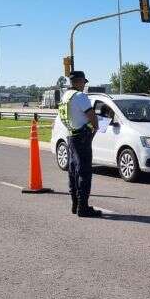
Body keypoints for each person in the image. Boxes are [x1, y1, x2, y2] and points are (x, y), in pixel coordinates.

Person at [58, 70, 101, 218]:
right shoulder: (80, 96)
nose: (84, 85)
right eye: (83, 82)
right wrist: (95, 127)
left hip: (71, 136)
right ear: (79, 81)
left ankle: (75, 204)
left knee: (73, 172)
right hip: (82, 137)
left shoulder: (66, 96)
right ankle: (83, 208)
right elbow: (91, 116)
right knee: (84, 173)